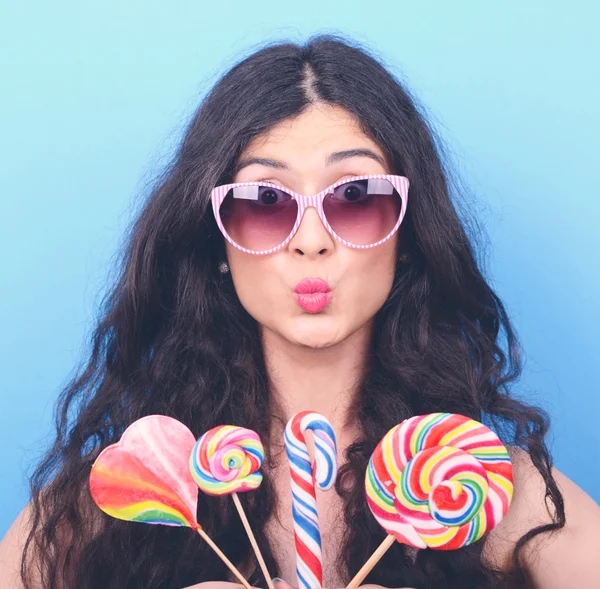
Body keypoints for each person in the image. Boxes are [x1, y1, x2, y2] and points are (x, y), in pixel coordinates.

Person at [1, 34, 599, 589]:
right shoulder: (123, 493)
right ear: (218, 247)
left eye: (357, 197)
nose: (311, 240)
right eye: (264, 201)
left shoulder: (489, 491)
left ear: (409, 237)